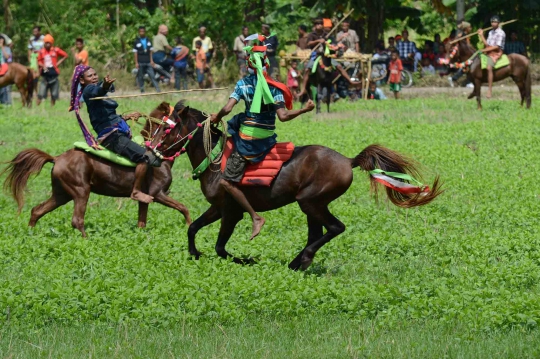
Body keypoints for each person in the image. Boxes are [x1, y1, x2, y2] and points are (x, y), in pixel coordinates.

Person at [209, 38, 315, 240]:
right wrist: (305, 109)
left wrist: (217, 117)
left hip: (248, 141)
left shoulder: (242, 84)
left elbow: (228, 108)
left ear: (248, 63)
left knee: (226, 182)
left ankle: (255, 216)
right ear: (266, 62)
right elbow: (283, 117)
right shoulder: (275, 87)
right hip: (267, 138)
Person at [69, 65, 161, 204]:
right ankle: (136, 191)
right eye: (90, 76)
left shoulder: (97, 92)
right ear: (82, 80)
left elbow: (107, 116)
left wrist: (126, 117)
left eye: (95, 74)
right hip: (112, 138)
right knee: (145, 156)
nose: (94, 77)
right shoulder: (88, 91)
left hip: (116, 131)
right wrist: (104, 85)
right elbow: (97, 90)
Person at [296, 18, 359, 98]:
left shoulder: (326, 34)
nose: (319, 26)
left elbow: (334, 43)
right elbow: (309, 43)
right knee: (307, 69)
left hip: (326, 55)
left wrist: (337, 46)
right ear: (315, 26)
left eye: (321, 24)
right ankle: (303, 89)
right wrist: (318, 41)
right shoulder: (312, 35)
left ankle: (350, 81)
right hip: (315, 55)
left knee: (339, 66)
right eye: (317, 24)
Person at [478, 15, 506, 98]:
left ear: (498, 23)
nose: (493, 23)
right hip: (488, 50)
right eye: (492, 22)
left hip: (496, 52)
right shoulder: (490, 32)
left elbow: (497, 46)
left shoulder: (501, 33)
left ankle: (489, 90)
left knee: (489, 67)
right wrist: (481, 35)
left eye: (495, 22)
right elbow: (487, 44)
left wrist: (485, 50)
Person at [36, 34, 68, 107]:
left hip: (53, 72)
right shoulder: (41, 52)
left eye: (49, 43)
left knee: (54, 94)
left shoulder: (55, 50)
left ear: (51, 43)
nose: (47, 44)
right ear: (44, 43)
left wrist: (57, 63)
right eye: (46, 42)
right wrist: (43, 66)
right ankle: (37, 107)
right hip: (45, 74)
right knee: (41, 93)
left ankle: (52, 108)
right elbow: (38, 61)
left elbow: (65, 55)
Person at [133, 26, 160, 93]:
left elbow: (150, 52)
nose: (142, 33)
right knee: (140, 77)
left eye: (143, 31)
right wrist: (136, 62)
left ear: (145, 32)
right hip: (140, 62)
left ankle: (158, 90)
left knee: (152, 76)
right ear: (139, 32)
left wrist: (151, 61)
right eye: (140, 31)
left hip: (148, 61)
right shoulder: (136, 41)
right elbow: (135, 53)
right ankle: (142, 90)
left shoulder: (148, 40)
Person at [448, 22, 473, 88]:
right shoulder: (463, 35)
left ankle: (453, 78)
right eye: (469, 27)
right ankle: (468, 82)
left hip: (466, 54)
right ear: (466, 28)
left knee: (466, 67)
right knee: (469, 66)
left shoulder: (463, 35)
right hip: (465, 55)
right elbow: (467, 46)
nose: (471, 28)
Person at [0, 35, 13, 105]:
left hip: (6, 69)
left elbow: (8, 57)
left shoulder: (7, 48)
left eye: (1, 39)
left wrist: (2, 47)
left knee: (6, 88)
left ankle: (7, 103)